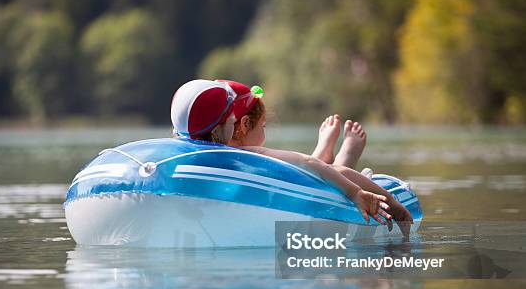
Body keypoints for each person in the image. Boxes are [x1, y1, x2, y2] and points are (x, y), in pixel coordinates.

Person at [170, 79, 413, 234]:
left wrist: (381, 199)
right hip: (303, 172)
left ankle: (341, 154)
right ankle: (329, 152)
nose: (234, 128)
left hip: (306, 178)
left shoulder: (237, 154)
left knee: (324, 171)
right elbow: (307, 163)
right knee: (314, 167)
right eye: (231, 122)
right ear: (231, 127)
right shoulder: (243, 153)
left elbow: (311, 166)